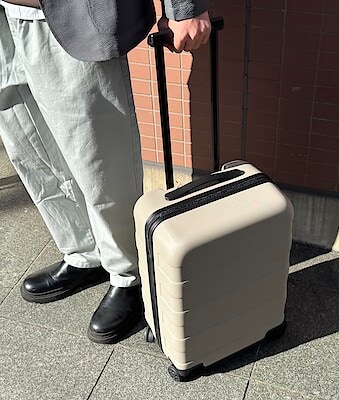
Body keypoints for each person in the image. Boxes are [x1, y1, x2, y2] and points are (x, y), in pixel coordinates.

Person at [0, 0, 211, 344]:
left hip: (69, 13)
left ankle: (129, 273)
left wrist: (186, 7)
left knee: (97, 153)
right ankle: (84, 252)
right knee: (30, 146)